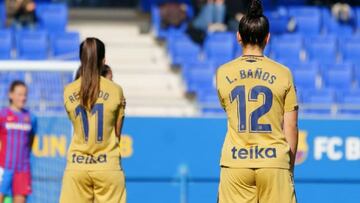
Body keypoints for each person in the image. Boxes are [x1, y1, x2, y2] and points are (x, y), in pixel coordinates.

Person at [216, 1, 298, 203]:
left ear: (238, 37)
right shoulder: (283, 73)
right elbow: (291, 126)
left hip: (235, 163)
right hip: (273, 162)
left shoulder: (223, 72)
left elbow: (229, 111)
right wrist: (288, 168)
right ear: (267, 38)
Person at [60, 38, 127, 203]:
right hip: (107, 166)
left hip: (77, 166)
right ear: (104, 61)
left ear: (81, 60)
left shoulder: (68, 91)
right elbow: (117, 133)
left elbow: (75, 125)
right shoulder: (116, 90)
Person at [0, 81, 37, 203]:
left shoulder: (31, 118)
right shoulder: (2, 115)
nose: (23, 98)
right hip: (4, 168)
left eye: (25, 94)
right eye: (19, 94)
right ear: (11, 95)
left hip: (23, 169)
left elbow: (30, 141)